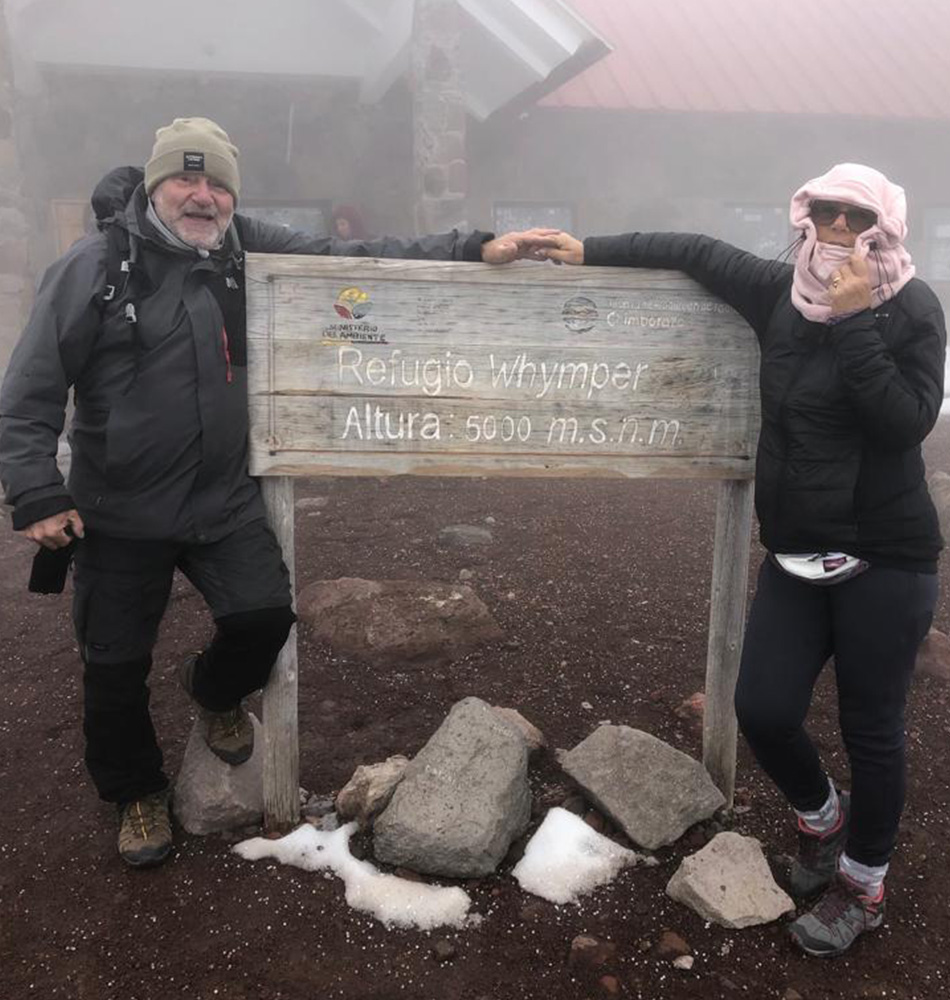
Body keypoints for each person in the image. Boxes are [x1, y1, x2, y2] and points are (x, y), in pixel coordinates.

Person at [0, 117, 555, 869]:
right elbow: (31, 384)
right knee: (114, 661)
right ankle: (135, 791)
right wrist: (35, 488)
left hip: (222, 500)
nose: (203, 196)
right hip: (118, 508)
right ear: (156, 185)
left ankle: (212, 689)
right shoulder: (97, 264)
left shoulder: (246, 253)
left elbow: (354, 257)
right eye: (186, 181)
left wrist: (469, 246)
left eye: (218, 183)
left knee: (263, 618)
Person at [542, 163, 945, 957]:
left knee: (873, 731)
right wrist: (584, 246)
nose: (833, 229)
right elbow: (691, 248)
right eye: (822, 211)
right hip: (795, 555)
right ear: (804, 217)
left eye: (852, 216)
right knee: (760, 707)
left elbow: (905, 424)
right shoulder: (776, 292)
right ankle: (822, 821)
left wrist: (857, 319)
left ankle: (862, 889)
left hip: (887, 561)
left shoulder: (912, 308)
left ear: (883, 228)